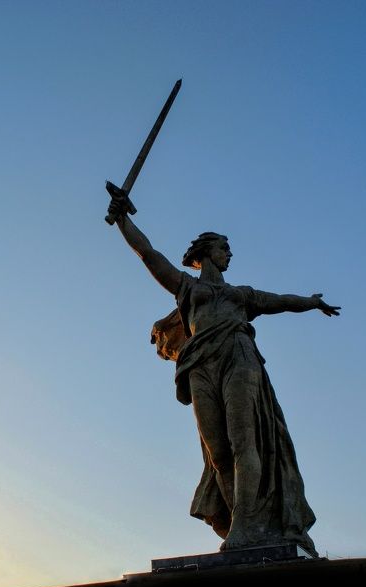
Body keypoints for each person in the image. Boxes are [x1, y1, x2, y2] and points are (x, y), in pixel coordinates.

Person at [107, 199, 340, 552]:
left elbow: (281, 301)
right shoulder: (188, 287)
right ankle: (240, 519)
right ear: (205, 253)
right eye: (224, 247)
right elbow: (149, 254)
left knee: (244, 439)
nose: (229, 253)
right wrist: (123, 220)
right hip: (199, 363)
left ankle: (246, 526)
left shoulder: (241, 295)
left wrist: (311, 301)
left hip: (238, 356)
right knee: (218, 452)